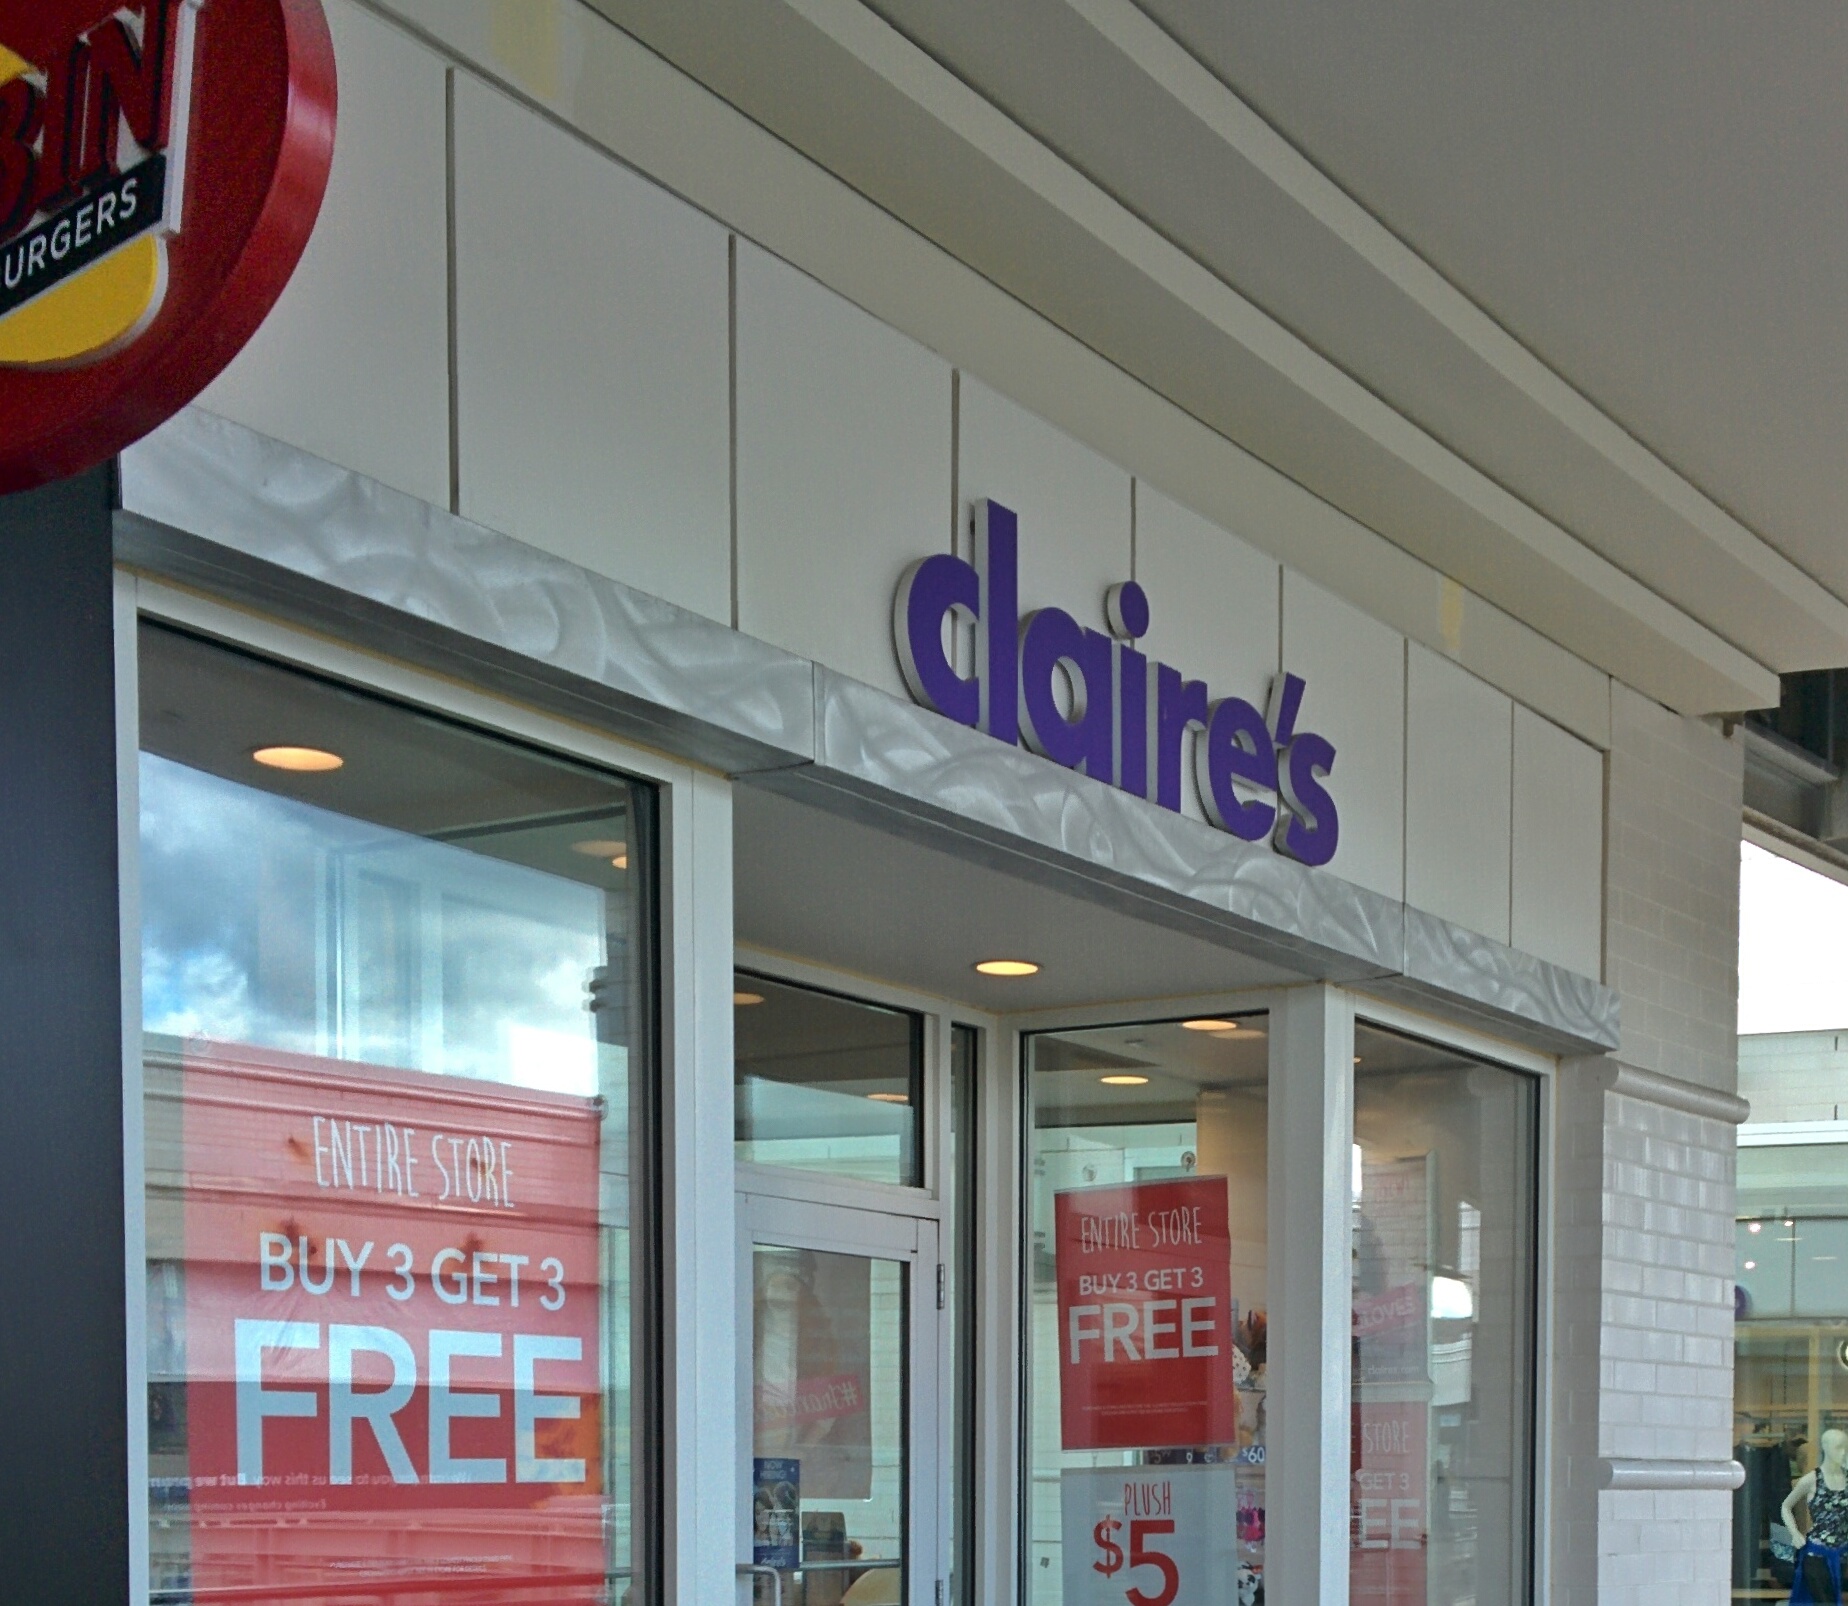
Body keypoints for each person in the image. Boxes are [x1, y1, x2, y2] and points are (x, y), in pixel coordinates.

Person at [1785, 1427, 1848, 1602]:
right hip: (1817, 1554)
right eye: (1838, 1447)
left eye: (1845, 1447)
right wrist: (1795, 1533)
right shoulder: (1811, 1480)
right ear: (1826, 1447)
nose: (1843, 1452)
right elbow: (1786, 1507)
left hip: (1843, 1554)